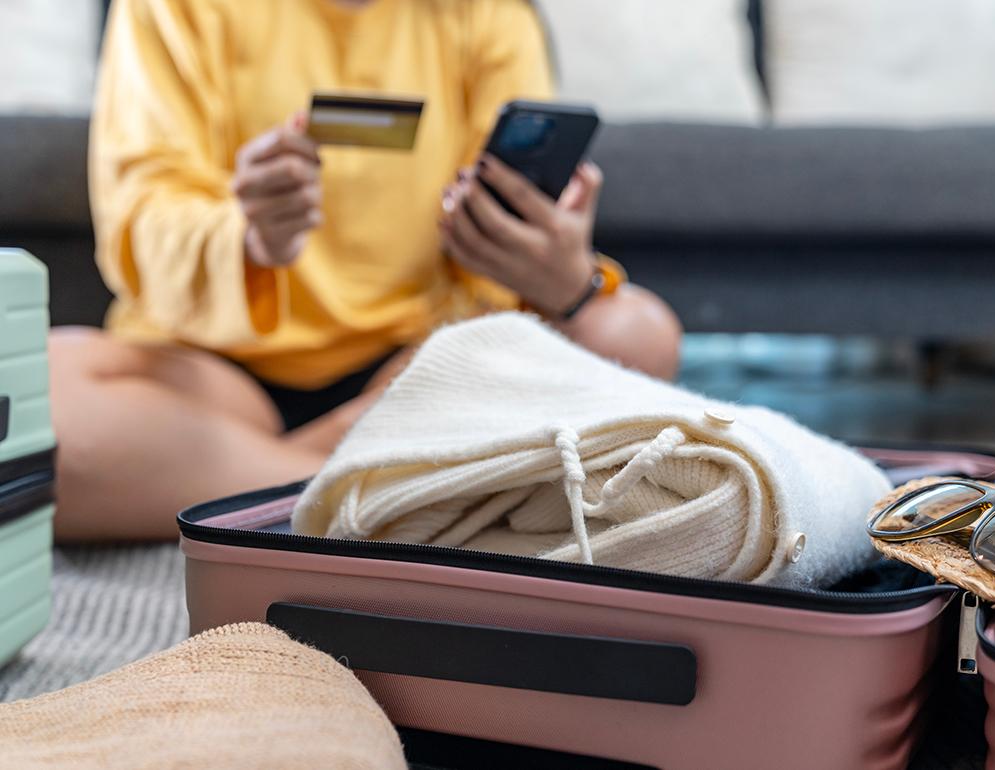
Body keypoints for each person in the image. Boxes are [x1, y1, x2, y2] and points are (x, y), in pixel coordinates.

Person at [50, 0, 682, 542]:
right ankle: (364, 480)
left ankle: (244, 488)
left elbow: (521, 267)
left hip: (411, 376)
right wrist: (247, 238)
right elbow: (143, 216)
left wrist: (559, 277)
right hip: (209, 376)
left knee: (638, 334)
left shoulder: (483, 14)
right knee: (37, 397)